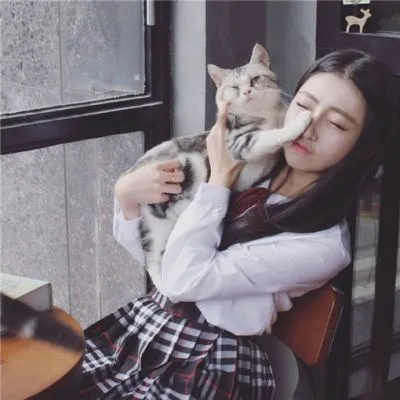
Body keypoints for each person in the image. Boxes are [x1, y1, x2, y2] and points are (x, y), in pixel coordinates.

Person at [78, 49, 398, 399]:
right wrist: (127, 196)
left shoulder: (323, 246)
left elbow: (183, 281)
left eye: (336, 124)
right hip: (146, 327)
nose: (308, 128)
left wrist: (218, 181)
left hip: (209, 360)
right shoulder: (256, 163)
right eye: (304, 106)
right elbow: (163, 269)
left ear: (363, 146)